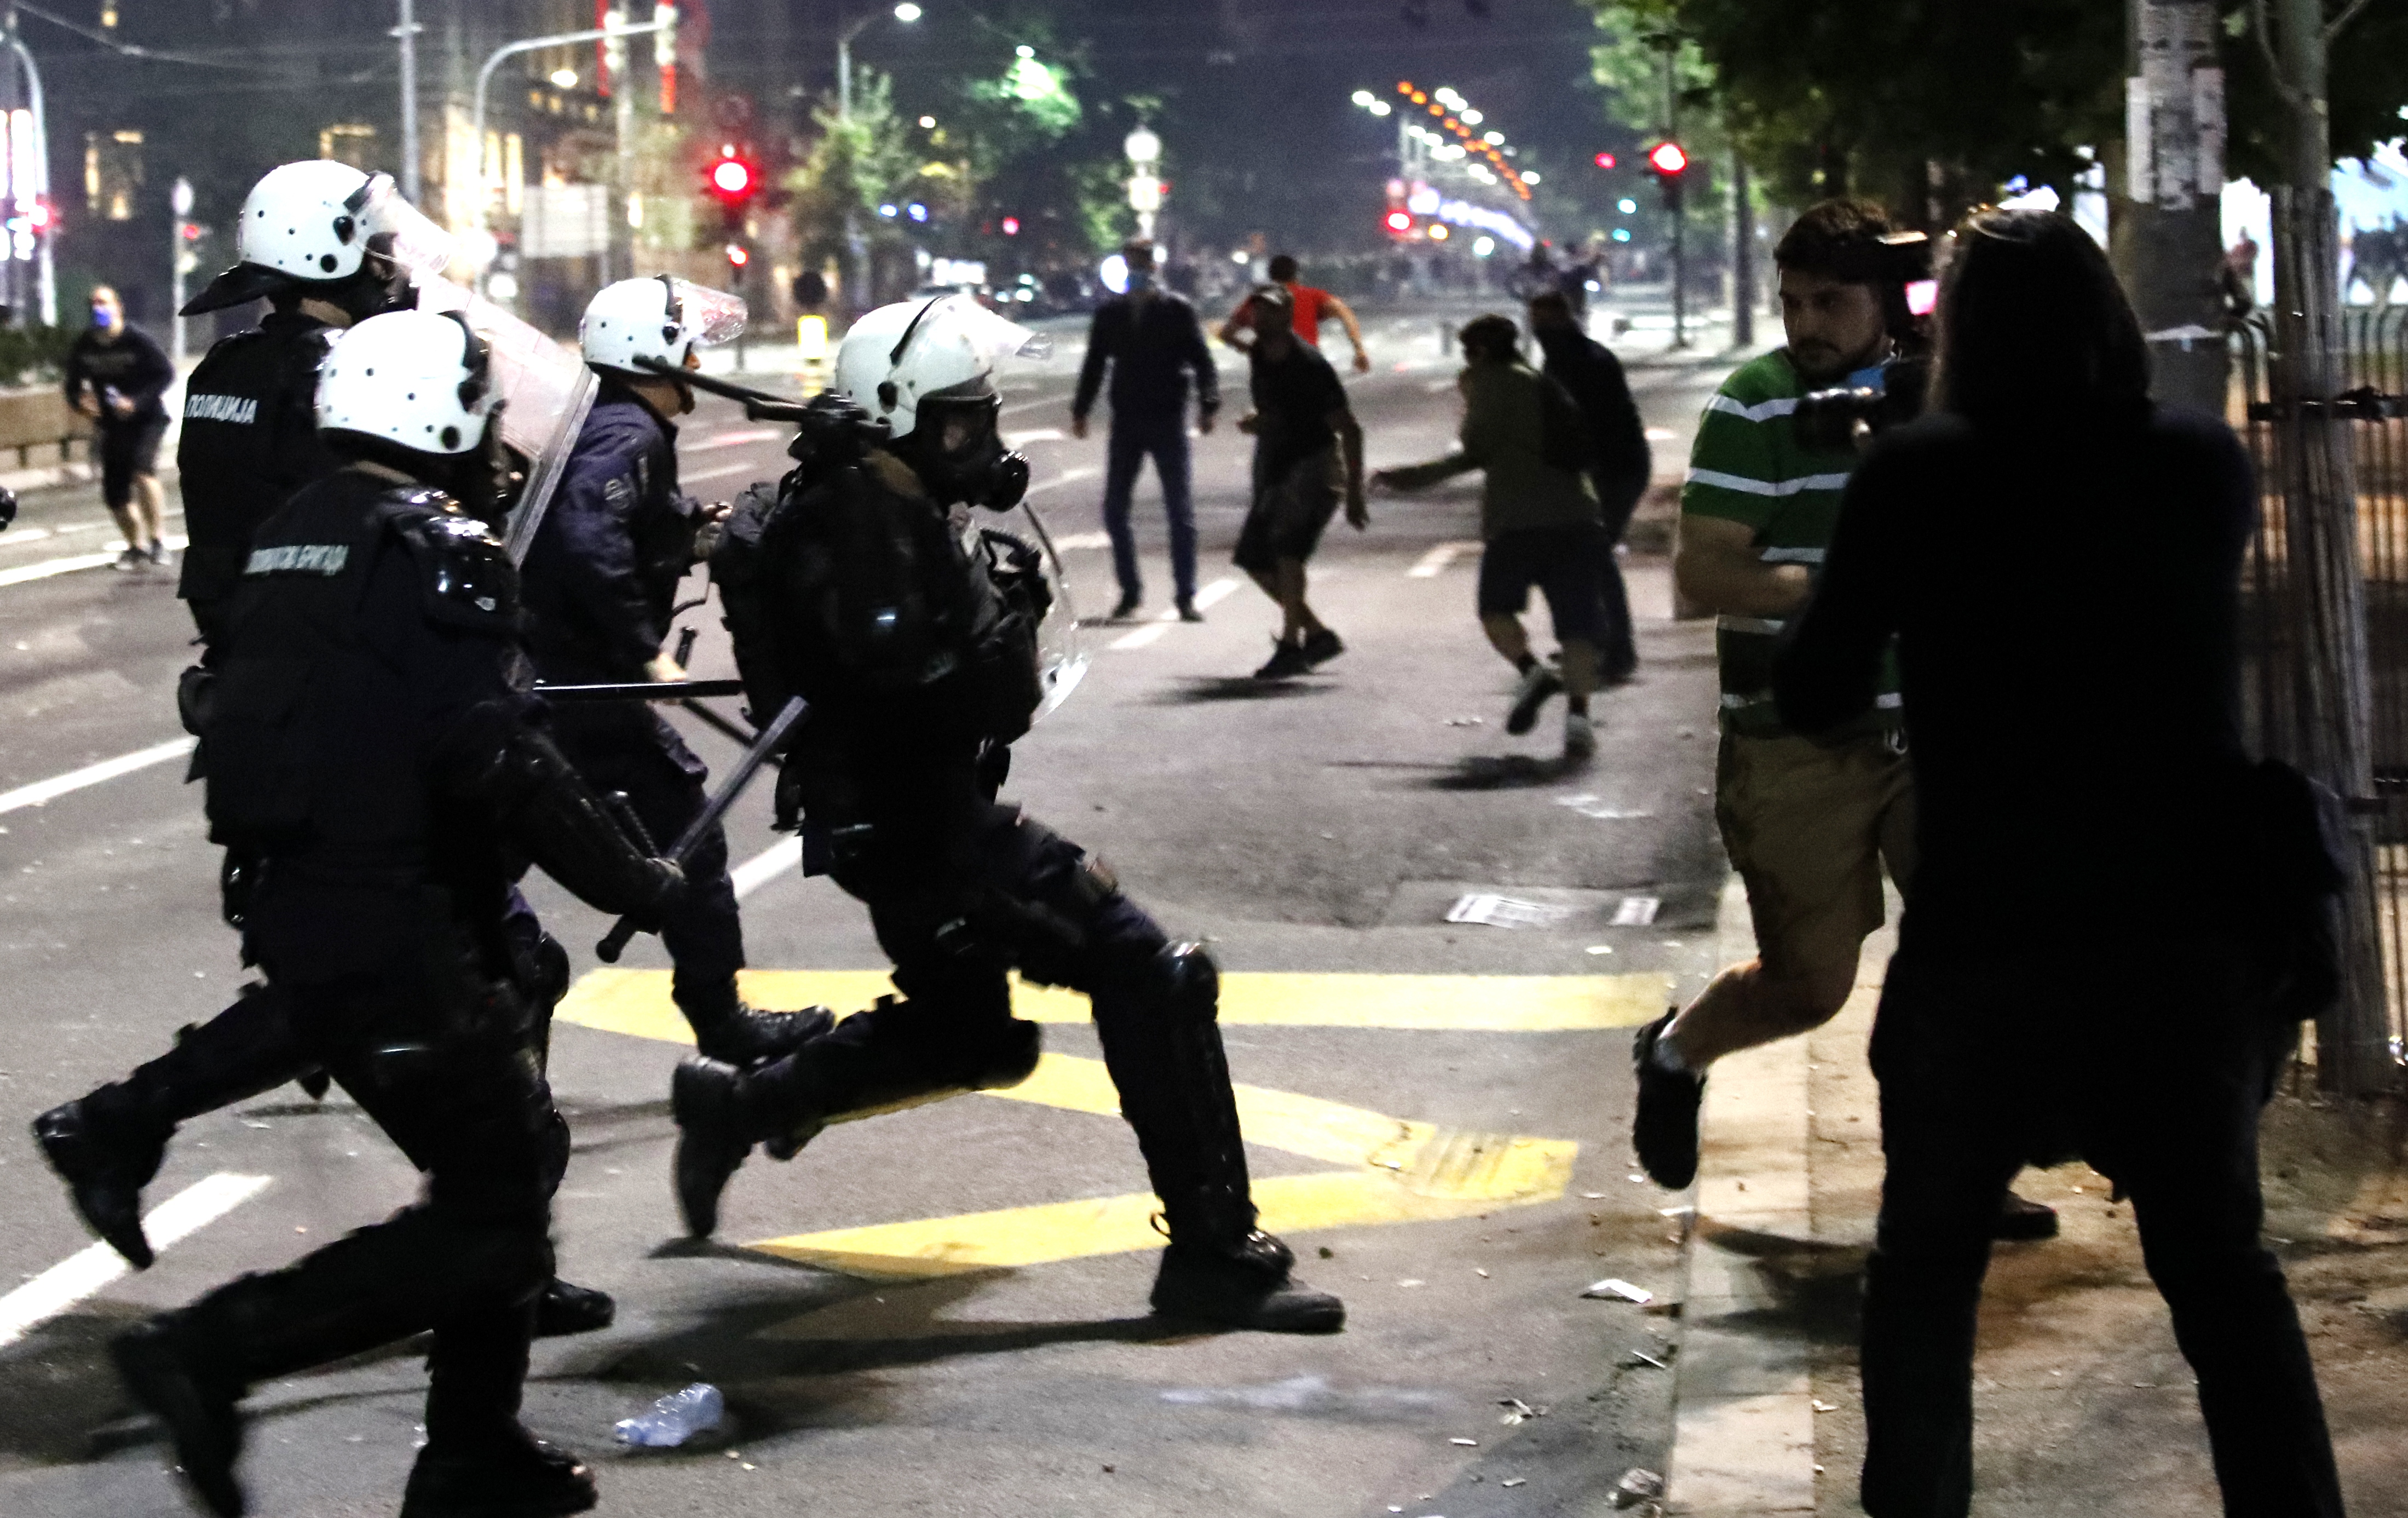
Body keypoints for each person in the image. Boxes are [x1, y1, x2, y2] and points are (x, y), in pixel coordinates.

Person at [1772, 207, 2344, 1518]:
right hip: (2183, 936)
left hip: (1989, 936)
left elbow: (1816, 689)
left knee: (1924, 1271)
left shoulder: (1914, 478)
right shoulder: (2200, 463)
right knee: (2222, 1278)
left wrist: (1876, 525)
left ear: (1959, 333)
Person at [97, 309, 685, 1518]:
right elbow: (501, 759)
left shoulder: (296, 530)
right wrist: (635, 878)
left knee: (504, 1171)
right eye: (479, 408)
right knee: (494, 1208)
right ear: (435, 417)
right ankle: (216, 1350)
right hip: (399, 921)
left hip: (303, 901)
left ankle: (471, 1451)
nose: (493, 432)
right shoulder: (438, 547)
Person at [676, 294, 1345, 1333]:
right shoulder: (865, 528)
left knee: (968, 1036)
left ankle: (738, 1104)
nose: (979, 442)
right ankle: (1214, 1253)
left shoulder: (873, 500)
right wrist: (1006, 623)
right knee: (1153, 971)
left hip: (899, 819)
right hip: (924, 830)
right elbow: (935, 685)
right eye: (959, 421)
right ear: (900, 415)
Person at [1628, 198, 2055, 1241]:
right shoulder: (1756, 404)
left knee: (1969, 960)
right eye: (1793, 303)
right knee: (1808, 985)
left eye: (1832, 301)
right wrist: (1852, 584)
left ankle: (1958, 1167)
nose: (1807, 323)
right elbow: (1703, 571)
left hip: (1935, 731)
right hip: (1793, 736)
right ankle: (1676, 1052)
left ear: (1890, 302)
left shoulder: (1942, 398)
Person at [520, 274, 828, 1063]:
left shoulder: (606, 421)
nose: (696, 357)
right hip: (586, 690)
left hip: (540, 684)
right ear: (653, 354)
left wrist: (696, 528)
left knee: (489, 854)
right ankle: (720, 1020)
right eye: (683, 341)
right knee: (690, 842)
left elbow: (629, 521)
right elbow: (588, 536)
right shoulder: (630, 434)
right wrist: (641, 649)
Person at [174, 159, 429, 651]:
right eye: (379, 251)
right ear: (326, 254)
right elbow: (376, 510)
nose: (389, 268)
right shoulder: (335, 371)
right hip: (332, 644)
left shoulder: (225, 364)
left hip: (242, 642)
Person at [1372, 314, 1605, 759]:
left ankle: (1532, 672)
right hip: (1576, 514)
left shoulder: (1494, 383)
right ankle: (1579, 719)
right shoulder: (1537, 380)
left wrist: (1412, 477)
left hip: (1518, 520)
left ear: (1478, 352)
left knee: (1495, 610)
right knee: (1577, 627)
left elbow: (1475, 449)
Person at [1070, 239, 1219, 622]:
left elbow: (1202, 360)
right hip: (1127, 420)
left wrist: (1208, 404)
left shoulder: (1176, 310)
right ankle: (1130, 590)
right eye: (1133, 263)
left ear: (1155, 266)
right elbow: (1095, 363)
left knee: (1179, 511)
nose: (1139, 270)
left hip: (1167, 417)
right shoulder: (1111, 314)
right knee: (1115, 510)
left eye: (1144, 263)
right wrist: (1082, 409)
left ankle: (1186, 594)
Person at [1234, 285, 1367, 679]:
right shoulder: (1259, 354)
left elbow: (1349, 428)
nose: (1260, 320)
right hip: (1278, 466)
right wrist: (1261, 422)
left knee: (1288, 552)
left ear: (1288, 317)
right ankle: (1317, 633)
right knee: (1254, 559)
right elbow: (1275, 411)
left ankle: (1293, 644)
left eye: (1270, 313)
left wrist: (1355, 493)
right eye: (1256, 313)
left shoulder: (1309, 365)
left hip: (1314, 467)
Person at [1529, 288, 1649, 685]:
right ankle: (1599, 643)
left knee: (1594, 560)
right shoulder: (1569, 356)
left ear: (1564, 319)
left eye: (1545, 322)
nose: (1540, 330)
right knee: (1589, 559)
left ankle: (1616, 650)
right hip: (1609, 468)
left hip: (1613, 470)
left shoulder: (1580, 361)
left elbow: (1588, 424)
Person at [65, 285, 175, 570]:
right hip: (113, 425)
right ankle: (135, 546)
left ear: (118, 307)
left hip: (147, 419)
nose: (98, 308)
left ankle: (157, 541)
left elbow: (165, 373)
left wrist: (136, 402)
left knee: (142, 470)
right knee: (114, 493)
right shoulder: (85, 345)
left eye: (104, 302)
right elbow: (72, 386)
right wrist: (81, 404)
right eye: (93, 304)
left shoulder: (136, 340)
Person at [1219, 254, 1372, 374]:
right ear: (1296, 276)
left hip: (1272, 370)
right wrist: (1359, 350)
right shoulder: (1312, 296)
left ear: (1271, 277)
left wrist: (1253, 351)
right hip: (1308, 365)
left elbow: (1226, 334)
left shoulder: (1256, 300)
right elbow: (1344, 313)